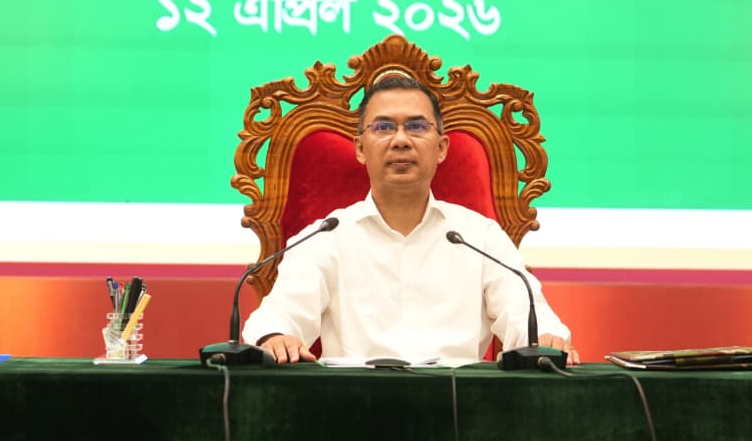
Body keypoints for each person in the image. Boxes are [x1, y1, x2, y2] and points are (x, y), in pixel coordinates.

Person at [242, 74, 579, 366]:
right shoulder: (326, 237)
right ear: (360, 148)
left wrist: (545, 338)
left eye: (416, 126)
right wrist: (276, 336)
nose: (401, 140)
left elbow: (526, 312)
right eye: (384, 127)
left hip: (459, 406)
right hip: (352, 407)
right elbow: (280, 314)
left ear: (442, 147)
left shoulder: (479, 236)